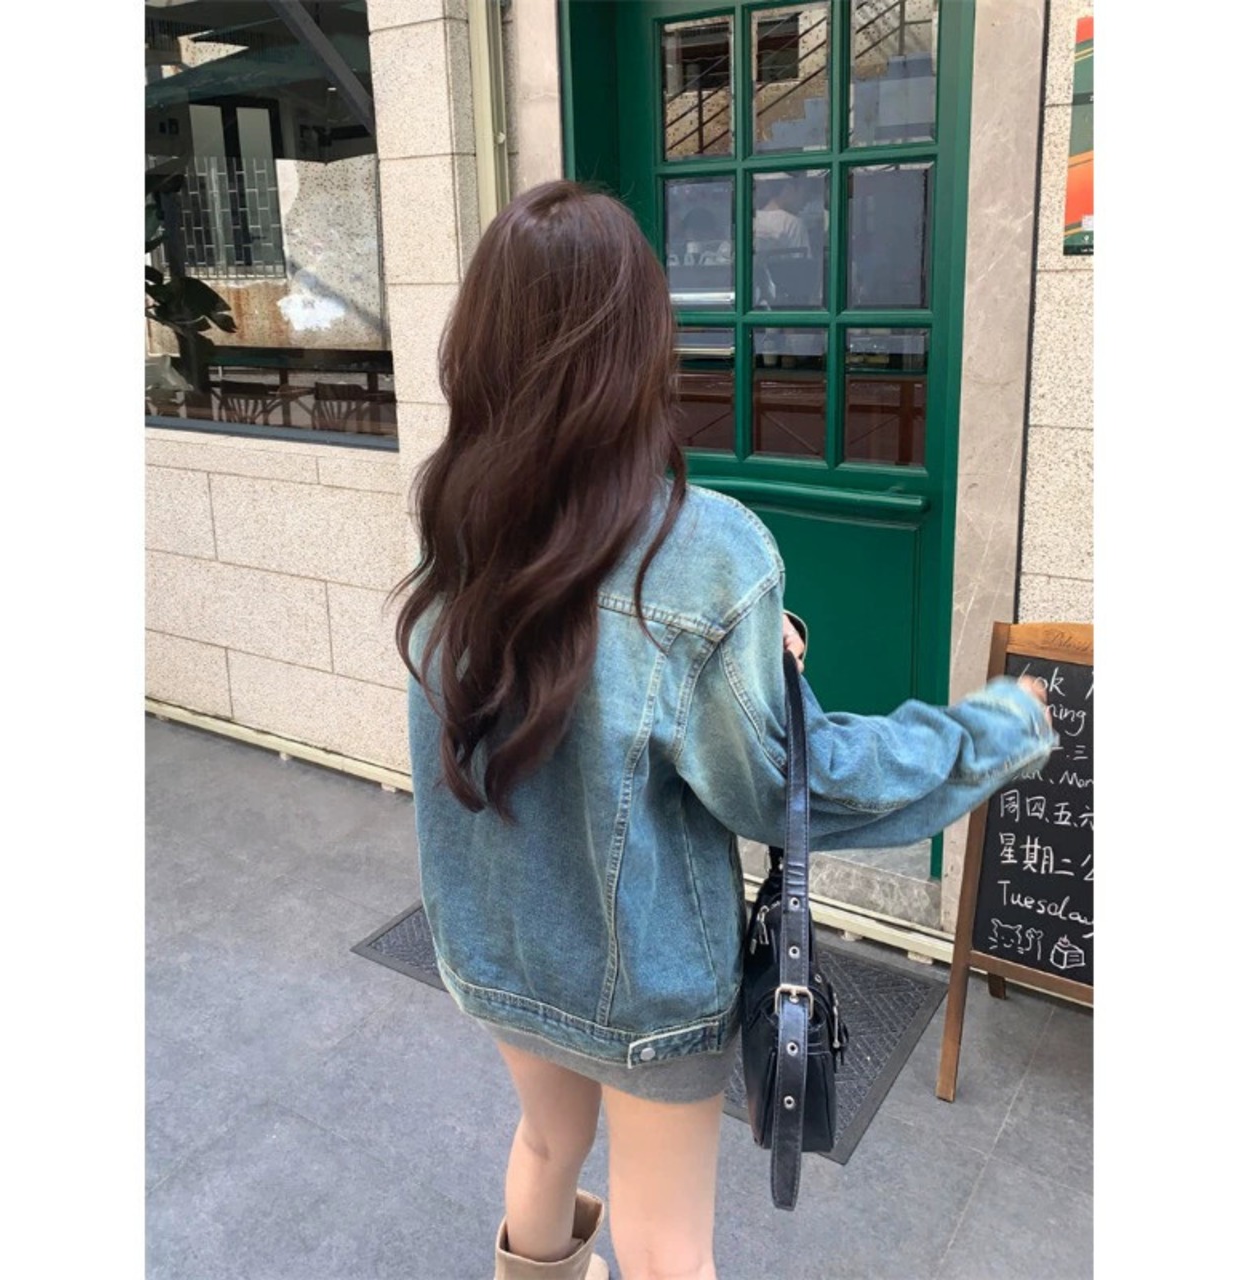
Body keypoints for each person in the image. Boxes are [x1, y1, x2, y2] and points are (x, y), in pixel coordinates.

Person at [390, 180, 1055, 1280]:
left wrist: (748, 649)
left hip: (496, 948)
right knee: (665, 1250)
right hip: (644, 982)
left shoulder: (458, 519)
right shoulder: (703, 552)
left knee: (547, 1144)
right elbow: (793, 785)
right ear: (638, 344)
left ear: (481, 340)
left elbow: (562, 692)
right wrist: (993, 727)